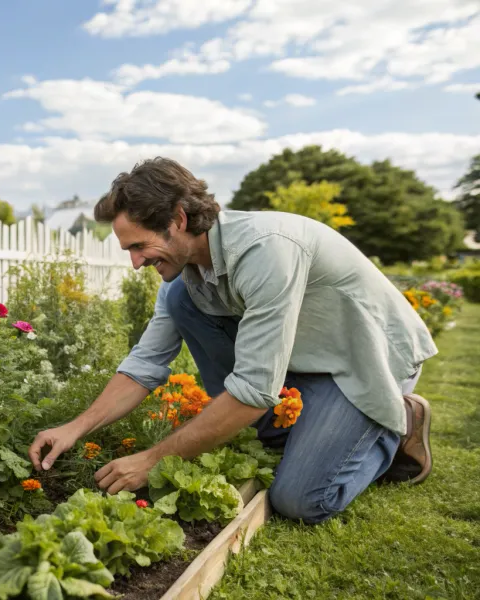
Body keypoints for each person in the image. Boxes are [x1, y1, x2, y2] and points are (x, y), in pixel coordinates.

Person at [27, 157, 437, 524]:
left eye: (138, 246)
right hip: (304, 359)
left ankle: (399, 422)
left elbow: (255, 388)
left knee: (301, 500)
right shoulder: (183, 278)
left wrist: (153, 459)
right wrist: (74, 428)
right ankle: (309, 425)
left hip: (364, 364)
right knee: (183, 302)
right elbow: (144, 366)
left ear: (178, 220)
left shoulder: (265, 250)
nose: (135, 263)